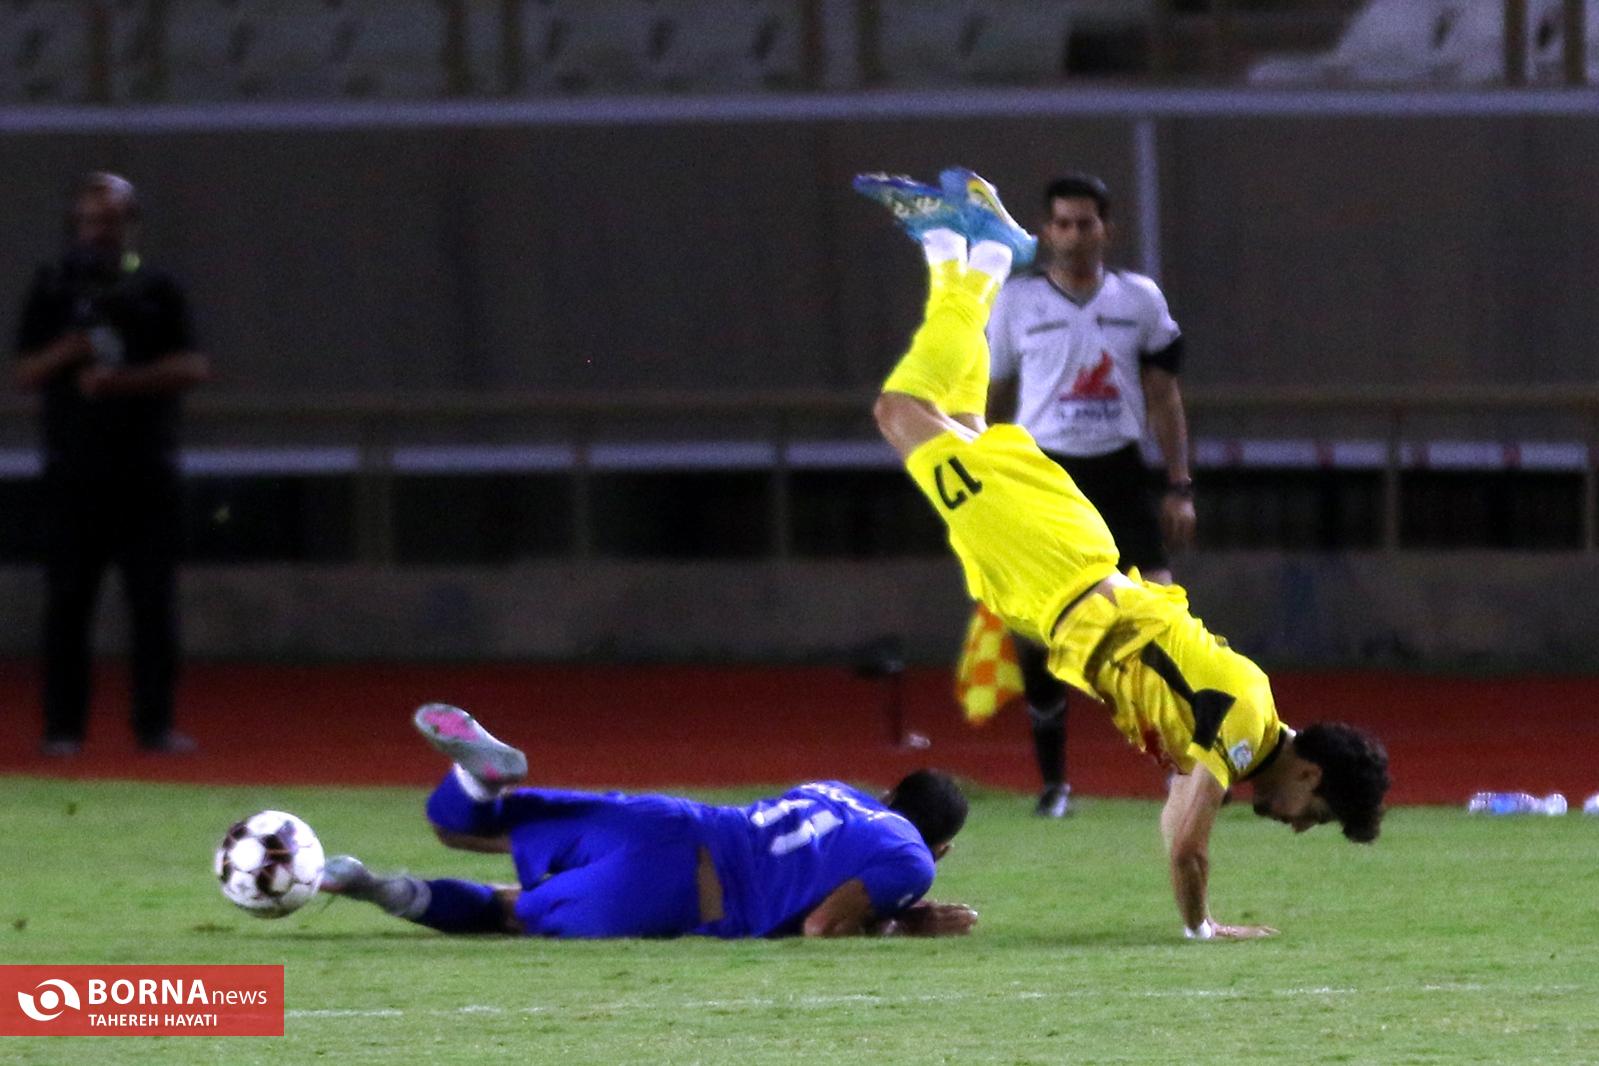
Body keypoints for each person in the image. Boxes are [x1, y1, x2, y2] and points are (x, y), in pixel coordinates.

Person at [854, 167, 1389, 940]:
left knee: (955, 411)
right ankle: (972, 255)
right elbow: (1186, 848)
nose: (1302, 826)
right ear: (1309, 773)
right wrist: (1201, 927)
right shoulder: (1241, 725)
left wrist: (1197, 866)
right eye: (1320, 812)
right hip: (1051, 563)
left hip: (1052, 578)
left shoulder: (1237, 736)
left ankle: (971, 253)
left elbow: (1178, 819)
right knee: (899, 411)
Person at [323, 703, 979, 939]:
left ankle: (476, 777)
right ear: (941, 849)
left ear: (889, 793)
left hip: (664, 818)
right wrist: (898, 922)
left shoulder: (836, 791)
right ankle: (373, 887)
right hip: (678, 889)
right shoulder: (909, 857)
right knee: (509, 912)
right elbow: (820, 926)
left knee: (469, 827)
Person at [986, 174, 1195, 819]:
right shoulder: (1016, 302)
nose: (1075, 236)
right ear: (1045, 231)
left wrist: (1179, 484)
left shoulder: (1138, 299)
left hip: (1120, 472)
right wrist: (987, 481)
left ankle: (1178, 764)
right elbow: (989, 397)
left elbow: (1164, 395)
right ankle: (1055, 783)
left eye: (1086, 223)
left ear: (1108, 229)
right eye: (1063, 224)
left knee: (1158, 617)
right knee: (1036, 630)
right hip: (1046, 474)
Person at [12, 172, 211, 756]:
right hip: (73, 475)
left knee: (153, 605)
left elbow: (193, 366)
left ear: (131, 224)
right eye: (89, 221)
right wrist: (69, 350)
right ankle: (62, 730)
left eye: (110, 220)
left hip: (145, 472)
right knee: (67, 605)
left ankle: (154, 726)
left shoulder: (157, 288)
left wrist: (124, 381)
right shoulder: (53, 287)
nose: (99, 232)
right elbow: (24, 372)